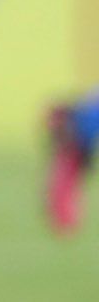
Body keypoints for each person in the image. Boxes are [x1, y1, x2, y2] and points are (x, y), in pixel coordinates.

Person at [47, 93, 99, 233]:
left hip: (76, 142)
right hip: (76, 143)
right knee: (65, 184)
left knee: (64, 183)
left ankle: (67, 222)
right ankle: (66, 221)